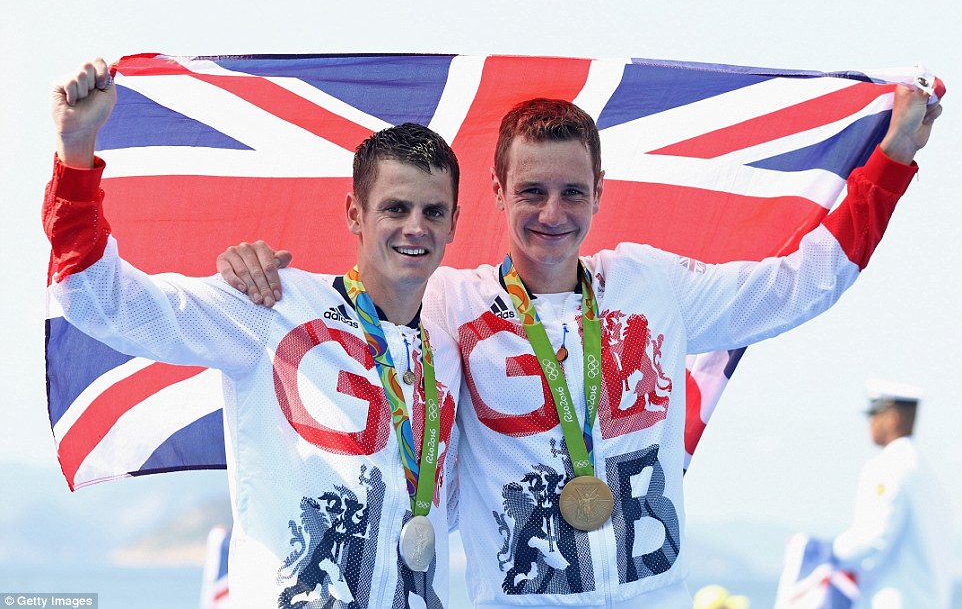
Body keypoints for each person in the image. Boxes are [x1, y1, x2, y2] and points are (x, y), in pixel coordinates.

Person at [219, 87, 940, 608]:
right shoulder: (446, 304)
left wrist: (895, 157)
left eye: (573, 192)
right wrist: (255, 269)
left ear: (601, 191)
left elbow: (801, 285)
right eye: (532, 191)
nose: (553, 213)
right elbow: (361, 292)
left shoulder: (652, 286)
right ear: (497, 193)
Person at [44, 58, 464, 608]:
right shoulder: (271, 305)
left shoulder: (453, 340)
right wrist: (76, 153)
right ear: (354, 213)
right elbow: (102, 301)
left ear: (455, 222)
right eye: (396, 208)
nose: (416, 227)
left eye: (434, 211)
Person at [831, 380, 954, 608]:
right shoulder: (928, 475)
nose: (870, 422)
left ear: (893, 419)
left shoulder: (889, 466)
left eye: (873, 414)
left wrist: (830, 552)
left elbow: (873, 538)